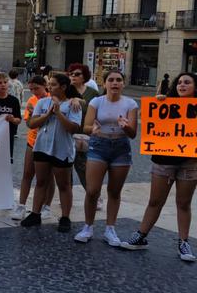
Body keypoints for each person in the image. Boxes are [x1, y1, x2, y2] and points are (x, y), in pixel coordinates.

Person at [120, 72, 197, 261]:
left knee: (183, 203)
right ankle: (141, 235)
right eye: (179, 82)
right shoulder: (164, 104)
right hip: (164, 160)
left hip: (190, 162)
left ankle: (184, 242)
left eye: (187, 82)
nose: (182, 85)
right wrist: (158, 102)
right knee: (155, 201)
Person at [74, 70, 138, 246]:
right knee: (93, 190)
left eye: (118, 80)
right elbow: (86, 126)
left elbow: (133, 134)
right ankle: (88, 226)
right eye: (111, 80)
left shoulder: (130, 104)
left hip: (121, 148)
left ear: (123, 84)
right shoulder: (97, 101)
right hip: (98, 146)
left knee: (114, 191)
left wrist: (126, 127)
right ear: (104, 84)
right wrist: (92, 129)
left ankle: (110, 228)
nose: (115, 83)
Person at [21, 73, 82, 232]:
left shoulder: (72, 105)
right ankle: (35, 213)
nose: (50, 87)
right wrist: (48, 114)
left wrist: (58, 113)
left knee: (64, 184)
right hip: (42, 147)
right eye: (50, 84)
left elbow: (73, 128)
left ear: (63, 87)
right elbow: (32, 123)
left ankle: (65, 217)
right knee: (41, 181)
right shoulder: (42, 102)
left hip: (62, 149)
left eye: (54, 85)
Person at [12, 75, 53, 221]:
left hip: (48, 142)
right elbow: (29, 123)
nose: (34, 91)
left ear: (44, 86)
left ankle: (46, 206)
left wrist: (36, 112)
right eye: (31, 89)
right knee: (27, 173)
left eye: (36, 88)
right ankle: (21, 205)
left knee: (48, 177)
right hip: (33, 140)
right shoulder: (31, 100)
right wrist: (32, 115)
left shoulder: (51, 99)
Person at [68, 63, 101, 208]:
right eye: (71, 74)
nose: (73, 76)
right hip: (68, 135)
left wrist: (80, 100)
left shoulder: (93, 93)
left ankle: (94, 196)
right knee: (66, 169)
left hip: (86, 137)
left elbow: (98, 111)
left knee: (84, 169)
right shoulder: (65, 90)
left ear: (84, 77)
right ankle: (66, 197)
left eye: (77, 74)